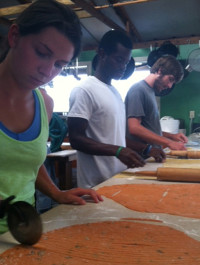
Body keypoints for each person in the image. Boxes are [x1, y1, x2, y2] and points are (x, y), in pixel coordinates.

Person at [0, 0, 103, 234]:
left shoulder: (44, 104)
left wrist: (57, 193)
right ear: (14, 36)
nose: (47, 71)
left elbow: (29, 163)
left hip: (20, 233)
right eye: (41, 53)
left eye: (59, 64)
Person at [67, 30, 166, 189]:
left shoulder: (115, 92)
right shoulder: (84, 90)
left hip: (116, 178)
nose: (122, 67)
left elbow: (115, 138)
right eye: (119, 60)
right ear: (102, 53)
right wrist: (119, 151)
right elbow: (76, 139)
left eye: (126, 62)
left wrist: (146, 149)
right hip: (95, 185)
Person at [125, 55, 188, 150]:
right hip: (140, 159)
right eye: (170, 79)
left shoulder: (150, 92)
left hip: (151, 157)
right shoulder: (138, 90)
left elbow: (149, 129)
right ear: (160, 71)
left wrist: (172, 136)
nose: (170, 86)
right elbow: (134, 128)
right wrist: (169, 142)